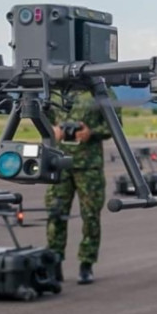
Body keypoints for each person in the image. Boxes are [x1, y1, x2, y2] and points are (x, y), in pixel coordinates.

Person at [45, 89, 117, 285]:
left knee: (91, 216)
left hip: (89, 165)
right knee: (55, 214)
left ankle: (86, 264)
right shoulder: (52, 92)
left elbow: (114, 125)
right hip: (59, 163)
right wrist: (53, 130)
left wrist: (91, 133)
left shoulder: (99, 91)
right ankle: (54, 263)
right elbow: (41, 118)